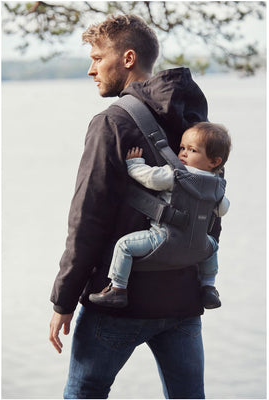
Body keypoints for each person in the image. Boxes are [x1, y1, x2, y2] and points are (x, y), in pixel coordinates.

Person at [49, 14, 223, 399]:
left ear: (128, 58)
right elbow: (210, 202)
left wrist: (63, 298)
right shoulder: (194, 120)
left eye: (98, 58)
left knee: (84, 392)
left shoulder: (111, 123)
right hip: (182, 297)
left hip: (119, 301)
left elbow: (87, 219)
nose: (91, 69)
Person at [89, 122, 231, 309]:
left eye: (192, 150)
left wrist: (134, 163)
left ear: (214, 162)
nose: (183, 153)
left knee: (124, 246)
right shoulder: (217, 186)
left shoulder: (177, 175)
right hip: (197, 244)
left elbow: (150, 178)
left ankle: (117, 288)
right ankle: (209, 287)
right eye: (182, 148)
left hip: (163, 238)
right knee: (212, 246)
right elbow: (222, 210)